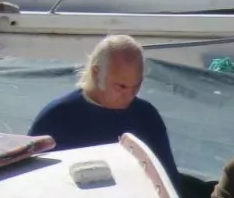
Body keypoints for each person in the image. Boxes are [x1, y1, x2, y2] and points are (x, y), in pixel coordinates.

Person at [28, 35, 179, 185]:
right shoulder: (56, 119)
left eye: (136, 85)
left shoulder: (146, 116)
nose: (131, 95)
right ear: (96, 73)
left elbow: (168, 180)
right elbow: (32, 182)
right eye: (121, 86)